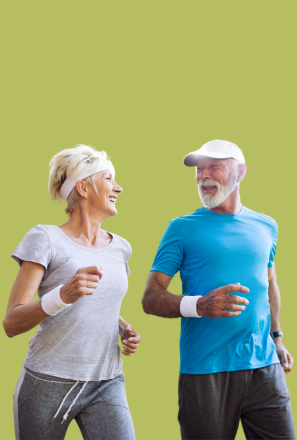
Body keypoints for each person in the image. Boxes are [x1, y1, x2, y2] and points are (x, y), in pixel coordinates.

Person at [142, 139, 295, 440]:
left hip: (265, 366)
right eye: (199, 169)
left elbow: (270, 283)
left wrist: (277, 338)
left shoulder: (267, 226)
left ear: (240, 172)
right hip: (205, 371)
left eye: (214, 166)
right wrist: (197, 305)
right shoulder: (182, 228)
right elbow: (151, 297)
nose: (203, 175)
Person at [4, 144, 141, 440]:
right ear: (83, 187)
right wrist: (61, 296)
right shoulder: (45, 238)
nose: (119, 188)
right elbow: (11, 323)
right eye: (109, 179)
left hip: (107, 380)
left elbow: (99, 303)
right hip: (48, 382)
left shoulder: (121, 247)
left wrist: (123, 328)